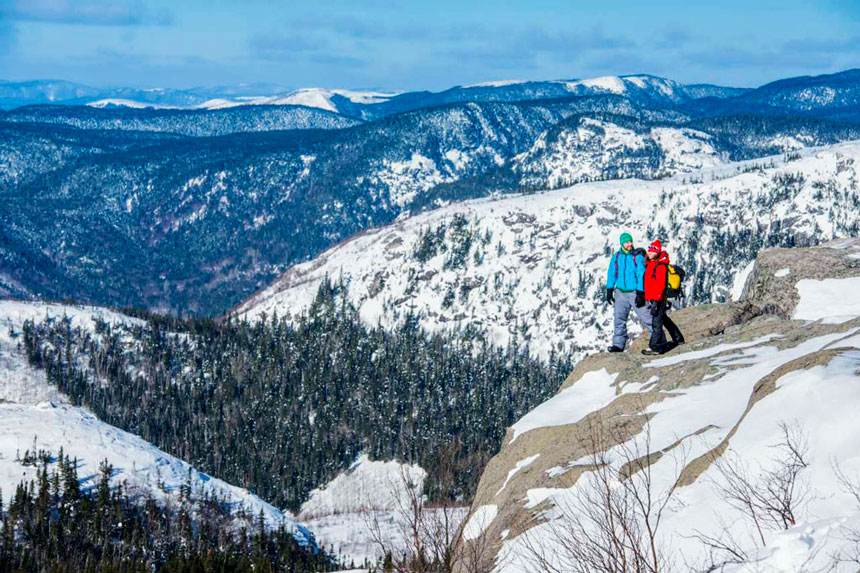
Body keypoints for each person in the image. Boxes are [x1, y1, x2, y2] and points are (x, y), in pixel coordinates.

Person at [605, 232, 652, 352]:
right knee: (619, 319)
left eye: (631, 241)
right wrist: (609, 289)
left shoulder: (637, 256)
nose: (630, 244)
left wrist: (641, 293)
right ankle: (618, 345)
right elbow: (612, 273)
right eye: (627, 242)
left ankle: (658, 341)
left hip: (635, 292)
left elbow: (641, 274)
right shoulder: (616, 257)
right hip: (620, 292)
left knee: (647, 317)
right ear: (622, 243)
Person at [642, 240, 685, 355]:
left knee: (656, 323)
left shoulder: (660, 266)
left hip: (659, 298)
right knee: (664, 319)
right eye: (649, 251)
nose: (649, 253)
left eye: (652, 251)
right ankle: (678, 338)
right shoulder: (650, 264)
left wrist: (656, 301)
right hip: (654, 298)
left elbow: (660, 285)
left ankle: (655, 346)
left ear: (657, 252)